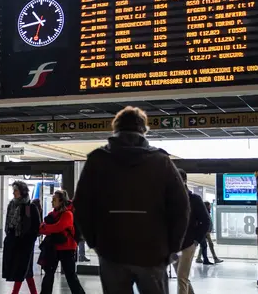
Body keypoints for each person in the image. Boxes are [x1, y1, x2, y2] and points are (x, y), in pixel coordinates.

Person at [73, 106, 190, 294]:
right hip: (153, 252)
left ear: (115, 128)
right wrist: (172, 247)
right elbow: (181, 208)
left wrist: (95, 242)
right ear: (144, 130)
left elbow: (81, 205)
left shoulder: (97, 160)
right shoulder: (161, 161)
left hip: (111, 250)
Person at [38, 190, 86, 294]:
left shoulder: (68, 214)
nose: (52, 202)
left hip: (67, 249)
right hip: (54, 248)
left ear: (61, 201)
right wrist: (46, 228)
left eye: (54, 199)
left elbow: (58, 227)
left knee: (70, 276)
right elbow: (41, 228)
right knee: (48, 275)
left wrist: (46, 227)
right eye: (52, 200)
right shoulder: (52, 214)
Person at [175, 169, 211, 294]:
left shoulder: (194, 199)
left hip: (189, 243)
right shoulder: (170, 198)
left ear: (184, 181)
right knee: (182, 277)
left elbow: (206, 221)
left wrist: (196, 240)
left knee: (181, 277)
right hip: (175, 244)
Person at [3, 181, 41, 294]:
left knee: (21, 270)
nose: (13, 193)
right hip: (14, 241)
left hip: (25, 244)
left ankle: (14, 292)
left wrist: (29, 240)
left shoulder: (30, 207)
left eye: (16, 190)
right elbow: (8, 223)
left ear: (22, 192)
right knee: (26, 270)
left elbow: (36, 227)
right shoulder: (11, 204)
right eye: (13, 190)